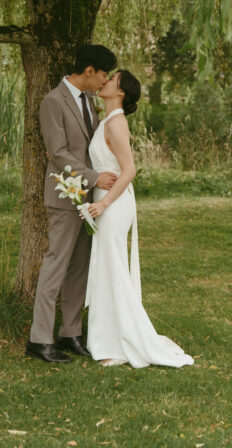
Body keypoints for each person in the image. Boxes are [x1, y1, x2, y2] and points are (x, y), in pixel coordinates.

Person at [85, 70, 194, 368]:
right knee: (107, 267)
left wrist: (104, 203)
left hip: (115, 205)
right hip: (104, 202)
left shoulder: (117, 123)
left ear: (121, 92)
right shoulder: (106, 121)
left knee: (112, 268)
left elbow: (129, 170)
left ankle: (117, 341)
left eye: (112, 79)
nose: (105, 80)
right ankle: (108, 337)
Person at [26, 44, 118, 363]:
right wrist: (94, 177)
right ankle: (39, 339)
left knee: (79, 268)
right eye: (102, 76)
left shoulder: (90, 101)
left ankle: (70, 333)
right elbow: (58, 153)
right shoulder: (53, 101)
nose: (103, 82)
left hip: (88, 201)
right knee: (56, 265)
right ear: (88, 71)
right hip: (65, 197)